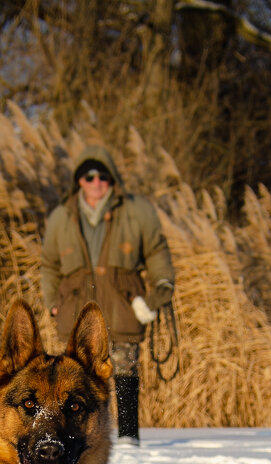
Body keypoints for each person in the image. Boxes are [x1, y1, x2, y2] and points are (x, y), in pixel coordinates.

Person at [40, 146, 174, 445]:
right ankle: (85, 436)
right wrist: (52, 303)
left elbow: (156, 251)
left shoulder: (136, 210)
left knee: (125, 369)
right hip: (75, 310)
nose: (96, 182)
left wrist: (159, 290)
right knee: (79, 379)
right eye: (89, 176)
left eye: (103, 176)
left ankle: (127, 436)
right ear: (79, 180)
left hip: (122, 304)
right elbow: (49, 264)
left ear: (111, 179)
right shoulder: (62, 215)